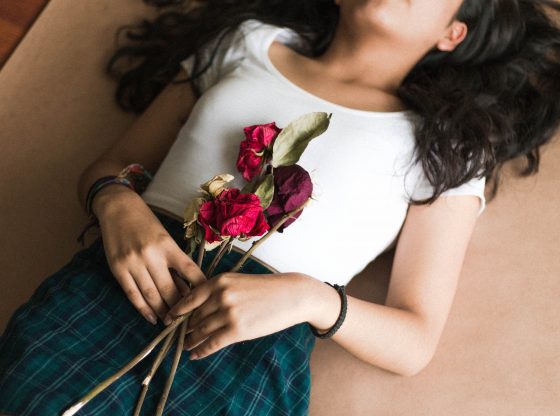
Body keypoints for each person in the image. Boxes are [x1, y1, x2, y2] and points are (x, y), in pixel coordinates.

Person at [1, 0, 560, 414]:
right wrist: (116, 202)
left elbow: (414, 340)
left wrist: (310, 297)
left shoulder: (449, 142)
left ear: (452, 32)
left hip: (246, 349)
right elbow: (111, 164)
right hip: (113, 287)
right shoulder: (247, 43)